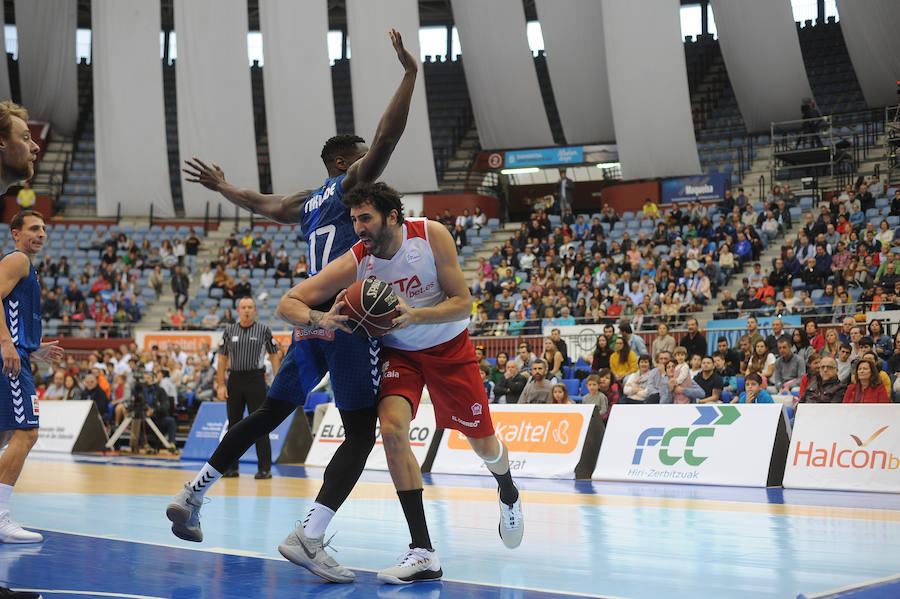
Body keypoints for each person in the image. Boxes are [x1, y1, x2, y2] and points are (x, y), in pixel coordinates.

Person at [166, 29, 419, 584]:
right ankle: (309, 535)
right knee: (358, 435)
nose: (369, 169)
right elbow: (386, 139)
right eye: (357, 162)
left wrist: (224, 185)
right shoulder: (352, 187)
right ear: (341, 162)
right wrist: (409, 75)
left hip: (308, 323)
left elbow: (259, 202)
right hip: (346, 319)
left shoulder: (307, 203)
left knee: (269, 415)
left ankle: (192, 494)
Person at [275, 182, 523, 583]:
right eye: (353, 220)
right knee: (391, 430)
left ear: (392, 217)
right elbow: (289, 302)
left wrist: (415, 316)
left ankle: (507, 490)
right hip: (400, 355)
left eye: (365, 219)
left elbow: (464, 302)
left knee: (485, 446)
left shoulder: (430, 235)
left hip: (448, 346)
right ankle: (423, 551)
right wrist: (320, 319)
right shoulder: (357, 258)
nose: (357, 228)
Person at [0, 156, 66, 561]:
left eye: (44, 228)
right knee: (26, 433)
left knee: (5, 437)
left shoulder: (29, 268)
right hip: (8, 359)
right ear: (16, 233)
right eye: (34, 228)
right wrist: (7, 341)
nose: (42, 233)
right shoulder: (17, 259)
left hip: (17, 352)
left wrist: (33, 346)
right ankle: (2, 518)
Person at [215, 297, 282, 478]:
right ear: (238, 310)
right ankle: (231, 467)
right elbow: (222, 358)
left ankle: (264, 468)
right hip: (235, 380)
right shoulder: (229, 331)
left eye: (250, 307)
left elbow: (274, 355)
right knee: (233, 425)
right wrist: (221, 384)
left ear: (255, 311)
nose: (246, 310)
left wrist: (276, 378)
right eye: (243, 307)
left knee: (260, 424)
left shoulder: (263, 330)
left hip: (255, 380)